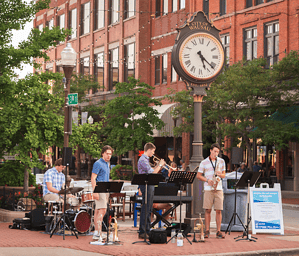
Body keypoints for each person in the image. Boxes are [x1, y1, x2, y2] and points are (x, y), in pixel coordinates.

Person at [197, 143, 226, 239]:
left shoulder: (221, 161)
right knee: (208, 210)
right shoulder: (204, 162)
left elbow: (224, 175)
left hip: (218, 188)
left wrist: (220, 174)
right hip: (208, 188)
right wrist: (207, 180)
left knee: (218, 210)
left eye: (217, 152)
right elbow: (198, 176)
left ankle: (218, 231)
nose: (216, 153)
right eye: (214, 151)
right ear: (210, 150)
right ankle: (207, 230)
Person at [138, 142, 165, 239]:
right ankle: (143, 231)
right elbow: (152, 173)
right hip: (146, 185)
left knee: (149, 208)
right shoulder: (143, 160)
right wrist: (160, 165)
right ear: (149, 150)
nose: (153, 153)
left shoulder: (146, 160)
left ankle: (147, 229)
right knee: (146, 208)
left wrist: (158, 166)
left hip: (150, 185)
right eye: (153, 151)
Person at [91, 145, 113, 240]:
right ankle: (98, 232)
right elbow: (93, 178)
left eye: (110, 154)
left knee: (98, 210)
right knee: (102, 210)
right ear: (103, 153)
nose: (109, 156)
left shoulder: (107, 164)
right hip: (99, 189)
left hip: (106, 189)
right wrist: (95, 191)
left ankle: (97, 232)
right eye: (107, 153)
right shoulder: (98, 163)